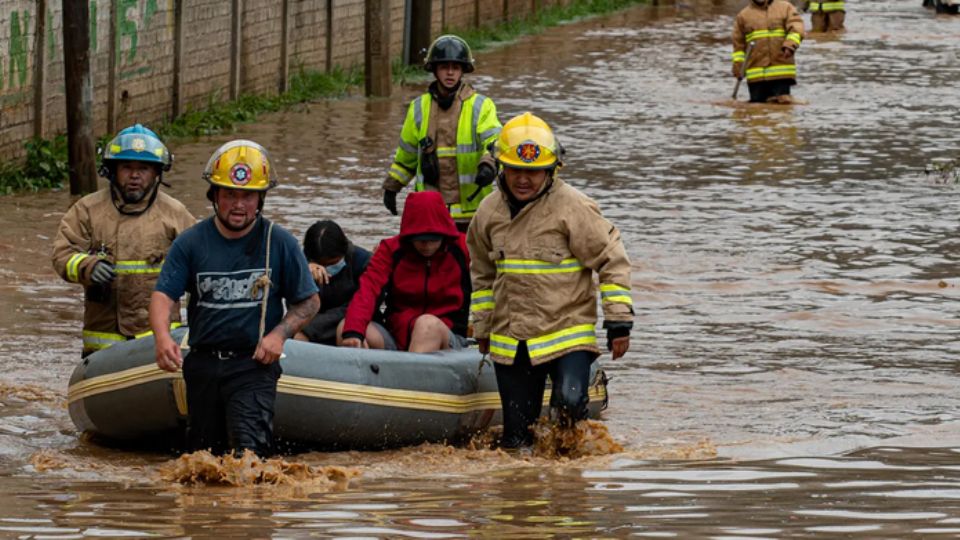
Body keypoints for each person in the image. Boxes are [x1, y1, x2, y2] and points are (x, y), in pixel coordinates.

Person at [466, 112, 634, 449]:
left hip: (566, 333)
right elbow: (482, 275)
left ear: (551, 169)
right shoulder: (488, 212)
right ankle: (522, 496)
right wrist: (481, 327)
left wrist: (618, 320)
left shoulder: (572, 207)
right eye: (516, 170)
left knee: (570, 407)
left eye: (533, 171)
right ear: (502, 167)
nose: (524, 180)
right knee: (517, 439)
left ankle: (571, 493)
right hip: (512, 341)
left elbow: (610, 258)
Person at [150, 140, 319, 457]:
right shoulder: (190, 243)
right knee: (203, 461)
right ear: (214, 196)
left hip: (254, 365)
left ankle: (252, 506)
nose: (238, 204)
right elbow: (163, 295)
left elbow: (309, 302)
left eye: (247, 196)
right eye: (229, 194)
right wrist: (161, 337)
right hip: (202, 364)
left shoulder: (279, 242)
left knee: (248, 456)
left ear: (260, 199)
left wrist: (279, 335)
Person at [51, 124, 195, 357]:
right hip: (102, 345)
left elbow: (200, 267)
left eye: (144, 168)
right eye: (127, 167)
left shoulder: (175, 214)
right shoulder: (87, 210)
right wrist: (87, 266)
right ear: (112, 170)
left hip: (159, 341)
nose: (135, 175)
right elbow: (62, 254)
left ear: (157, 172)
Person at [382, 34, 502, 233]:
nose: (450, 73)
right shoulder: (418, 107)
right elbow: (407, 155)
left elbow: (496, 143)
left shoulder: (481, 106)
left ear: (463, 70)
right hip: (430, 212)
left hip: (471, 211)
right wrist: (392, 187)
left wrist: (489, 165)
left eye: (455, 67)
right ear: (434, 70)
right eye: (444, 67)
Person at [340, 191, 470, 353]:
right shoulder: (389, 250)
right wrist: (353, 333)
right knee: (345, 328)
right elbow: (368, 291)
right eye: (421, 240)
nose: (427, 246)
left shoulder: (464, 248)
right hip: (397, 335)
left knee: (426, 325)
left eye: (434, 239)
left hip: (447, 335)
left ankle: (413, 375)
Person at [295, 220, 372, 345]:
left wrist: (312, 327)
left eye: (332, 263)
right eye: (322, 264)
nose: (326, 268)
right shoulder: (301, 263)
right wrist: (304, 276)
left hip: (352, 321)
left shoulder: (363, 262)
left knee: (345, 331)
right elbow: (295, 305)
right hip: (312, 322)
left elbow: (360, 306)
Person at [732, 0, 805, 104]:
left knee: (782, 108)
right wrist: (738, 65)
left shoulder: (785, 7)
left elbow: (797, 28)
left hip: (781, 71)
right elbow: (738, 45)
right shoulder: (743, 15)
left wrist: (790, 44)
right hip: (756, 75)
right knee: (756, 110)